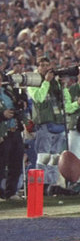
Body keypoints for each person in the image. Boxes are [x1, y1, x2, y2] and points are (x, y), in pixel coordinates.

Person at [28, 57, 75, 195]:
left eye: (47, 65)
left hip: (58, 123)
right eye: (41, 65)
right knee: (43, 156)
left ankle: (51, 185)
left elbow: (66, 101)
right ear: (37, 68)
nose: (44, 67)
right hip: (44, 125)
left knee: (54, 158)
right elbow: (39, 98)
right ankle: (40, 186)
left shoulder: (56, 83)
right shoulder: (33, 82)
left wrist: (63, 87)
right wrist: (47, 82)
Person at [0, 72, 27, 201]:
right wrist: (2, 115)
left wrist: (22, 102)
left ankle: (11, 192)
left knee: (16, 162)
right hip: (1, 133)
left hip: (15, 129)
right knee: (1, 164)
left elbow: (20, 101)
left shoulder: (8, 92)